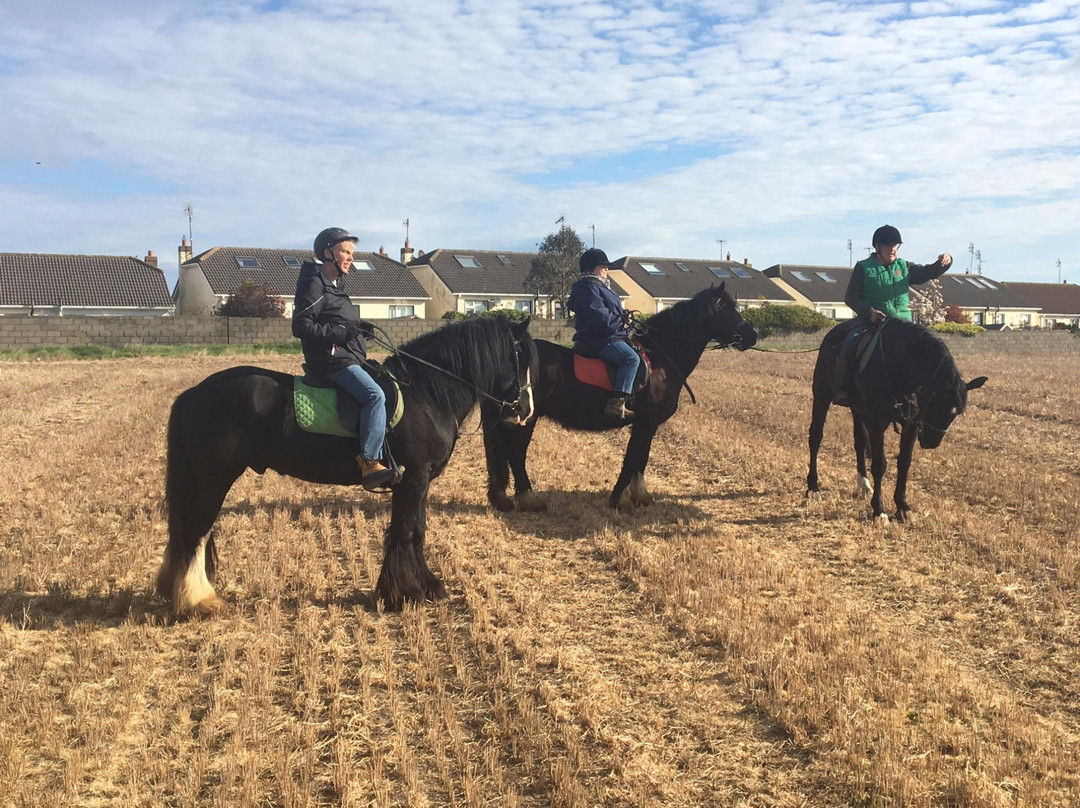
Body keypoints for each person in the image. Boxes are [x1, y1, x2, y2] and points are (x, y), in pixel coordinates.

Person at [293, 227, 402, 490]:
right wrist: (341, 333)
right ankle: (369, 462)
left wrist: (359, 327)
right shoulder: (315, 282)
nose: (350, 257)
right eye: (345, 251)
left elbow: (338, 319)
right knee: (374, 395)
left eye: (352, 253)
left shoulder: (336, 285)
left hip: (348, 357)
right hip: (330, 361)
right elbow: (300, 326)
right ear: (328, 253)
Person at [833, 224, 953, 403]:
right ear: (877, 247)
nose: (893, 249)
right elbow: (851, 298)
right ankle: (843, 389)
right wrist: (870, 312)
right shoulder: (864, 268)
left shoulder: (904, 267)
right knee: (849, 343)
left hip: (902, 325)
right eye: (888, 245)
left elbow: (927, 272)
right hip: (872, 323)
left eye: (896, 245)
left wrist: (945, 261)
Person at [566, 247, 641, 422]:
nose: (606, 270)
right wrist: (621, 321)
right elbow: (600, 318)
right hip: (599, 338)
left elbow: (613, 312)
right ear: (591, 269)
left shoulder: (599, 287)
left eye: (607, 267)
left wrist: (626, 319)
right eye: (603, 267)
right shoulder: (588, 288)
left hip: (611, 334)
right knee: (631, 359)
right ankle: (616, 403)